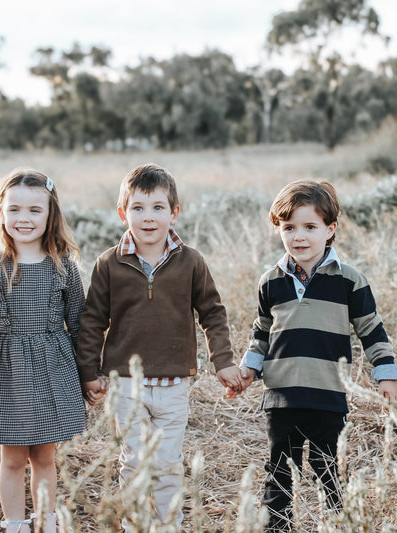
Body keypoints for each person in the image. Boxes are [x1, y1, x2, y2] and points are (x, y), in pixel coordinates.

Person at [76, 163, 242, 530]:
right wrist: (89, 371)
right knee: (134, 462)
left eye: (157, 208)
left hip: (174, 384)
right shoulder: (109, 263)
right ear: (123, 214)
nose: (147, 217)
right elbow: (92, 321)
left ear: (174, 213)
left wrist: (224, 362)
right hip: (124, 384)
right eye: (137, 208)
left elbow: (212, 313)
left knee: (167, 464)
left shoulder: (190, 262)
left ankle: (167, 525)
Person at [237, 179, 397, 533]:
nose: (299, 236)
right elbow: (261, 331)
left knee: (330, 468)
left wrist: (387, 372)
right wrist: (249, 368)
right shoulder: (271, 281)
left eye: (310, 227)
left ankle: (339, 525)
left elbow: (371, 329)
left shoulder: (349, 280)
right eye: (289, 228)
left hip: (328, 394)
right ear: (278, 229)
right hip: (282, 395)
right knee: (280, 470)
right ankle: (277, 528)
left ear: (330, 229)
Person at [0, 168, 86, 533]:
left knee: (44, 455)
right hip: (7, 370)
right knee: (10, 457)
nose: (24, 219)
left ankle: (46, 521)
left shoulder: (64, 268)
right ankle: (15, 525)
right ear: (2, 213)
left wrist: (89, 374)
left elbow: (79, 323)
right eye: (15, 210)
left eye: (34, 210)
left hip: (51, 368)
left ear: (50, 213)